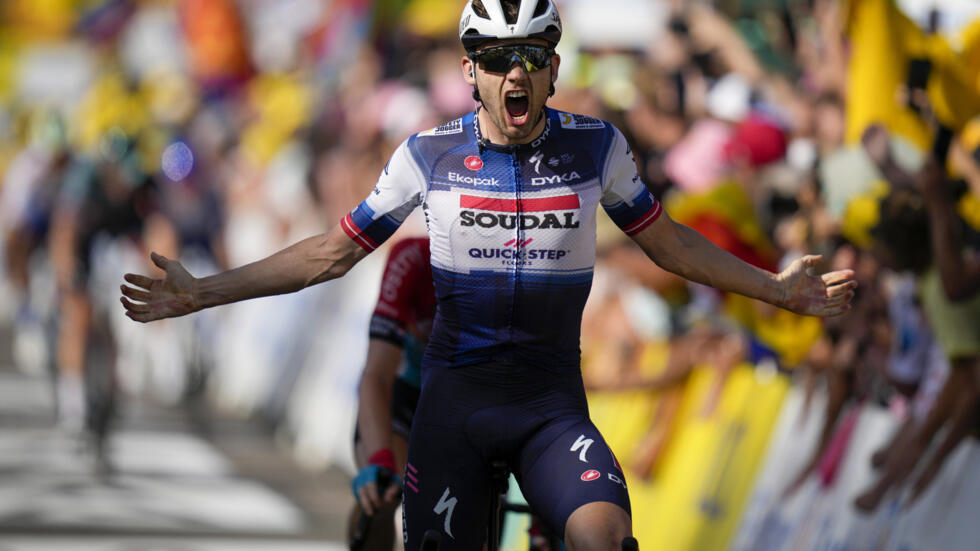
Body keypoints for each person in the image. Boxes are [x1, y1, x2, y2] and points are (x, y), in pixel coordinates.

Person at [120, 1, 856, 548]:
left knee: (606, 539)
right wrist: (204, 291)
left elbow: (670, 245)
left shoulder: (597, 147)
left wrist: (775, 286)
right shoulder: (426, 154)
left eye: (533, 56)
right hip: (455, 412)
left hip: (551, 409)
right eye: (499, 57)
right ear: (469, 69)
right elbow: (329, 252)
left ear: (554, 70)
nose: (518, 71)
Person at [349, 236, 435, 550]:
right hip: (405, 388)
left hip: (465, 396)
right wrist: (380, 459)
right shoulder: (413, 257)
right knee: (383, 491)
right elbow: (376, 375)